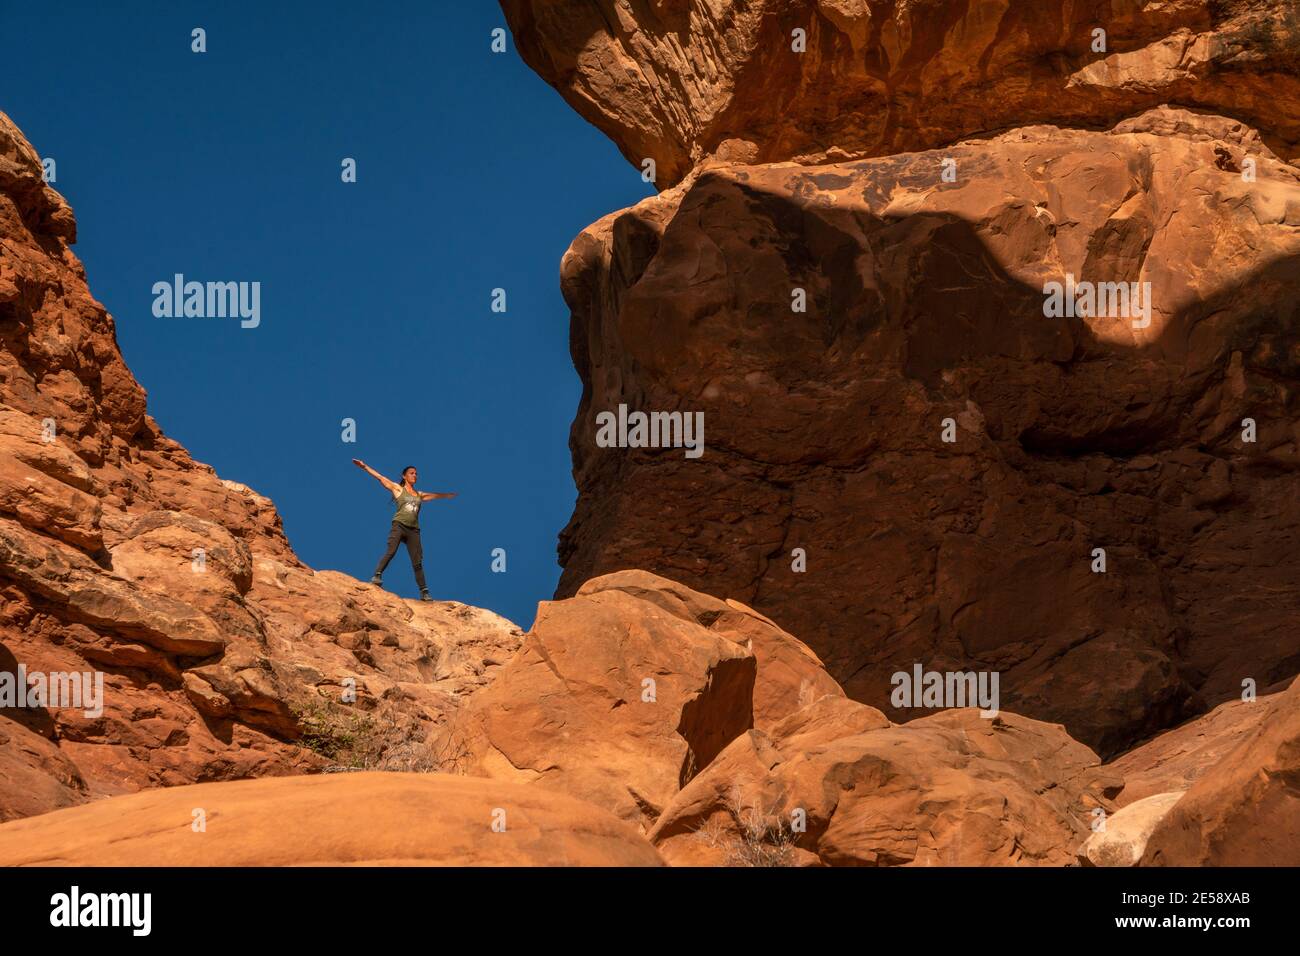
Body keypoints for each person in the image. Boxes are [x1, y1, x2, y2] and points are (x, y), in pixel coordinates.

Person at [352, 459, 456, 601]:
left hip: (414, 531)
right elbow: (380, 477)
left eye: (416, 474)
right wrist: (364, 466)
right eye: (412, 473)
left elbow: (434, 495)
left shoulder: (419, 494)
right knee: (391, 551)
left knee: (417, 561)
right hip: (399, 525)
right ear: (404, 476)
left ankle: (424, 592)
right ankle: (377, 575)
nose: (415, 475)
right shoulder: (398, 489)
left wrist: (447, 495)